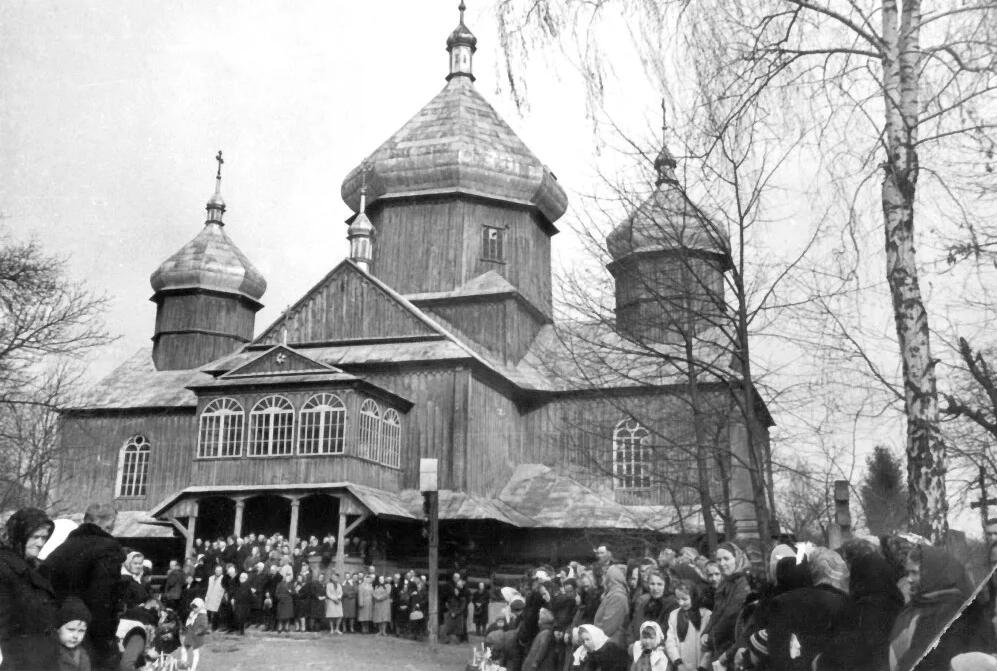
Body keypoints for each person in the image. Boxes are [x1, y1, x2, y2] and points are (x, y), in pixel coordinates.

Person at [43, 502, 125, 671]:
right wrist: (106, 644)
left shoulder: (61, 550)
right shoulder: (108, 549)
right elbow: (103, 599)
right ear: (109, 525)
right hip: (89, 636)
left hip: (58, 633)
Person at [889, 544, 988, 671]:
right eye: (907, 572)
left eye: (914, 572)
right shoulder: (919, 602)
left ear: (932, 574)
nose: (909, 579)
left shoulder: (951, 610)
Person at [0, 507, 58, 671]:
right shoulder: (5, 569)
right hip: (17, 661)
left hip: (39, 658)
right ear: (19, 535)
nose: (40, 543)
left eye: (44, 537)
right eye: (35, 537)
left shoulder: (36, 568)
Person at [700, 541, 750, 668]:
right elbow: (717, 612)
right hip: (720, 643)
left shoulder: (743, 582)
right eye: (719, 560)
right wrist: (705, 633)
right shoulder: (725, 583)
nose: (722, 564)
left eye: (726, 559)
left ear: (736, 558)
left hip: (734, 644)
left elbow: (731, 614)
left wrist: (711, 638)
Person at [664, 581, 711, 671]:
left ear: (693, 597)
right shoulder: (674, 615)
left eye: (684, 599)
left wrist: (702, 667)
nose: (681, 603)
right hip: (681, 665)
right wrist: (678, 663)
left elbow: (710, 644)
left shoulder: (706, 615)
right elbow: (670, 641)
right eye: (678, 599)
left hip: (700, 665)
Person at [593, 564, 630, 648]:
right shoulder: (611, 594)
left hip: (610, 644)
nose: (603, 578)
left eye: (605, 575)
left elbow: (608, 626)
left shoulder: (617, 597)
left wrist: (593, 636)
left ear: (611, 578)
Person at [55, 596, 92, 671]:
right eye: (71, 629)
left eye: (81, 631)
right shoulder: (50, 654)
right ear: (58, 629)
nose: (76, 636)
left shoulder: (83, 655)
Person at [181, 598, 209, 671]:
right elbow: (188, 623)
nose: (194, 608)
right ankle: (184, 665)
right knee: (184, 650)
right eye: (193, 607)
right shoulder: (192, 614)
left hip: (197, 637)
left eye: (195, 607)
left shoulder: (203, 615)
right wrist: (185, 629)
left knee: (195, 652)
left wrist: (198, 631)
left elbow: (204, 626)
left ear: (200, 607)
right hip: (190, 635)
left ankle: (193, 668)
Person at [204, 564, 225, 630]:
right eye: (217, 570)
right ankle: (207, 626)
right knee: (207, 612)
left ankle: (214, 627)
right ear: (215, 571)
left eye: (220, 571)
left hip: (218, 598)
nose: (218, 572)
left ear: (222, 571)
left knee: (216, 613)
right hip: (210, 596)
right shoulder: (210, 578)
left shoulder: (224, 579)